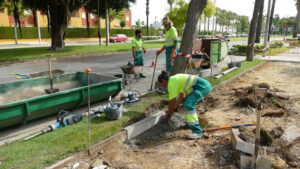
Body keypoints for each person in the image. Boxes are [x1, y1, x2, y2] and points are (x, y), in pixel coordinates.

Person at [158, 71, 211, 139]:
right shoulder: (174, 79)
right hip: (200, 86)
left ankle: (197, 132)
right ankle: (190, 124)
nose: (163, 86)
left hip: (202, 87)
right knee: (186, 102)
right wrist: (175, 108)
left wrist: (168, 115)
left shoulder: (171, 83)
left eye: (162, 84)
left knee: (188, 104)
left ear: (163, 81)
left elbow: (172, 102)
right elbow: (181, 96)